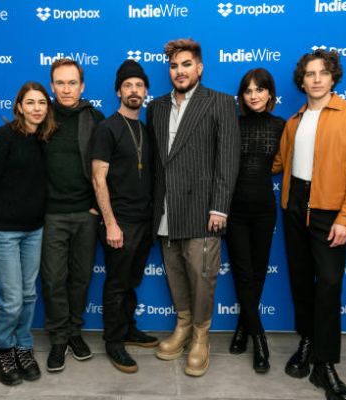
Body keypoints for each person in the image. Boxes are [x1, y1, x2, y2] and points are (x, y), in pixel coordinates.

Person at [0, 59, 105, 373]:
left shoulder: (95, 118)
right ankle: (59, 338)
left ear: (82, 86)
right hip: (48, 217)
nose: (66, 89)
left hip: (86, 215)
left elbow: (109, 163)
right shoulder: (41, 118)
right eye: (60, 83)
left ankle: (75, 332)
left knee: (80, 278)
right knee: (52, 282)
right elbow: (13, 143)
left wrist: (96, 205)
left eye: (72, 82)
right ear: (52, 87)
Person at [275, 49, 346, 400]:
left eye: (323, 73)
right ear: (301, 81)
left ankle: (325, 364)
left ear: (333, 77)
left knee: (330, 284)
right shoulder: (293, 122)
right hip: (294, 206)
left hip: (330, 210)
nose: (316, 79)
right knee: (301, 282)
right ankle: (306, 341)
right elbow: (278, 164)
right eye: (309, 74)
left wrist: (345, 217)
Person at [147, 38, 240, 377]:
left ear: (199, 68)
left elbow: (227, 160)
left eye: (186, 64)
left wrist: (220, 207)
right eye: (174, 66)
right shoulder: (156, 107)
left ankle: (201, 335)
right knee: (175, 275)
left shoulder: (218, 102)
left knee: (202, 278)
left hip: (203, 210)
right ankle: (183, 325)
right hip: (166, 210)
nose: (179, 71)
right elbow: (155, 162)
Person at [0, 81, 57, 386]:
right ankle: (2, 350)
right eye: (30, 102)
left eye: (42, 103)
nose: (36, 108)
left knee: (29, 294)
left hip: (34, 230)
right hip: (4, 233)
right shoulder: (3, 137)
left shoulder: (46, 138)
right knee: (11, 298)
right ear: (19, 106)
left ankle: (24, 348)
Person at [91, 60, 158, 373]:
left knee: (132, 280)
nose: (134, 91)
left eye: (139, 85)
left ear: (145, 91)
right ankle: (113, 340)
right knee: (117, 283)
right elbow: (98, 178)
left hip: (145, 221)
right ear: (118, 91)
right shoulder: (107, 128)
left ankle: (128, 328)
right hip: (120, 221)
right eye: (128, 85)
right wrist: (111, 223)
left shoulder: (145, 129)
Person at [226, 68, 285, 373]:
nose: (254, 95)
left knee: (258, 273)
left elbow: (280, 165)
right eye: (248, 91)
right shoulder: (232, 125)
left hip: (264, 209)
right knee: (242, 273)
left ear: (269, 94)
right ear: (242, 96)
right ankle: (259, 338)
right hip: (234, 210)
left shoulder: (281, 126)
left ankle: (242, 328)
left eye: (259, 90)